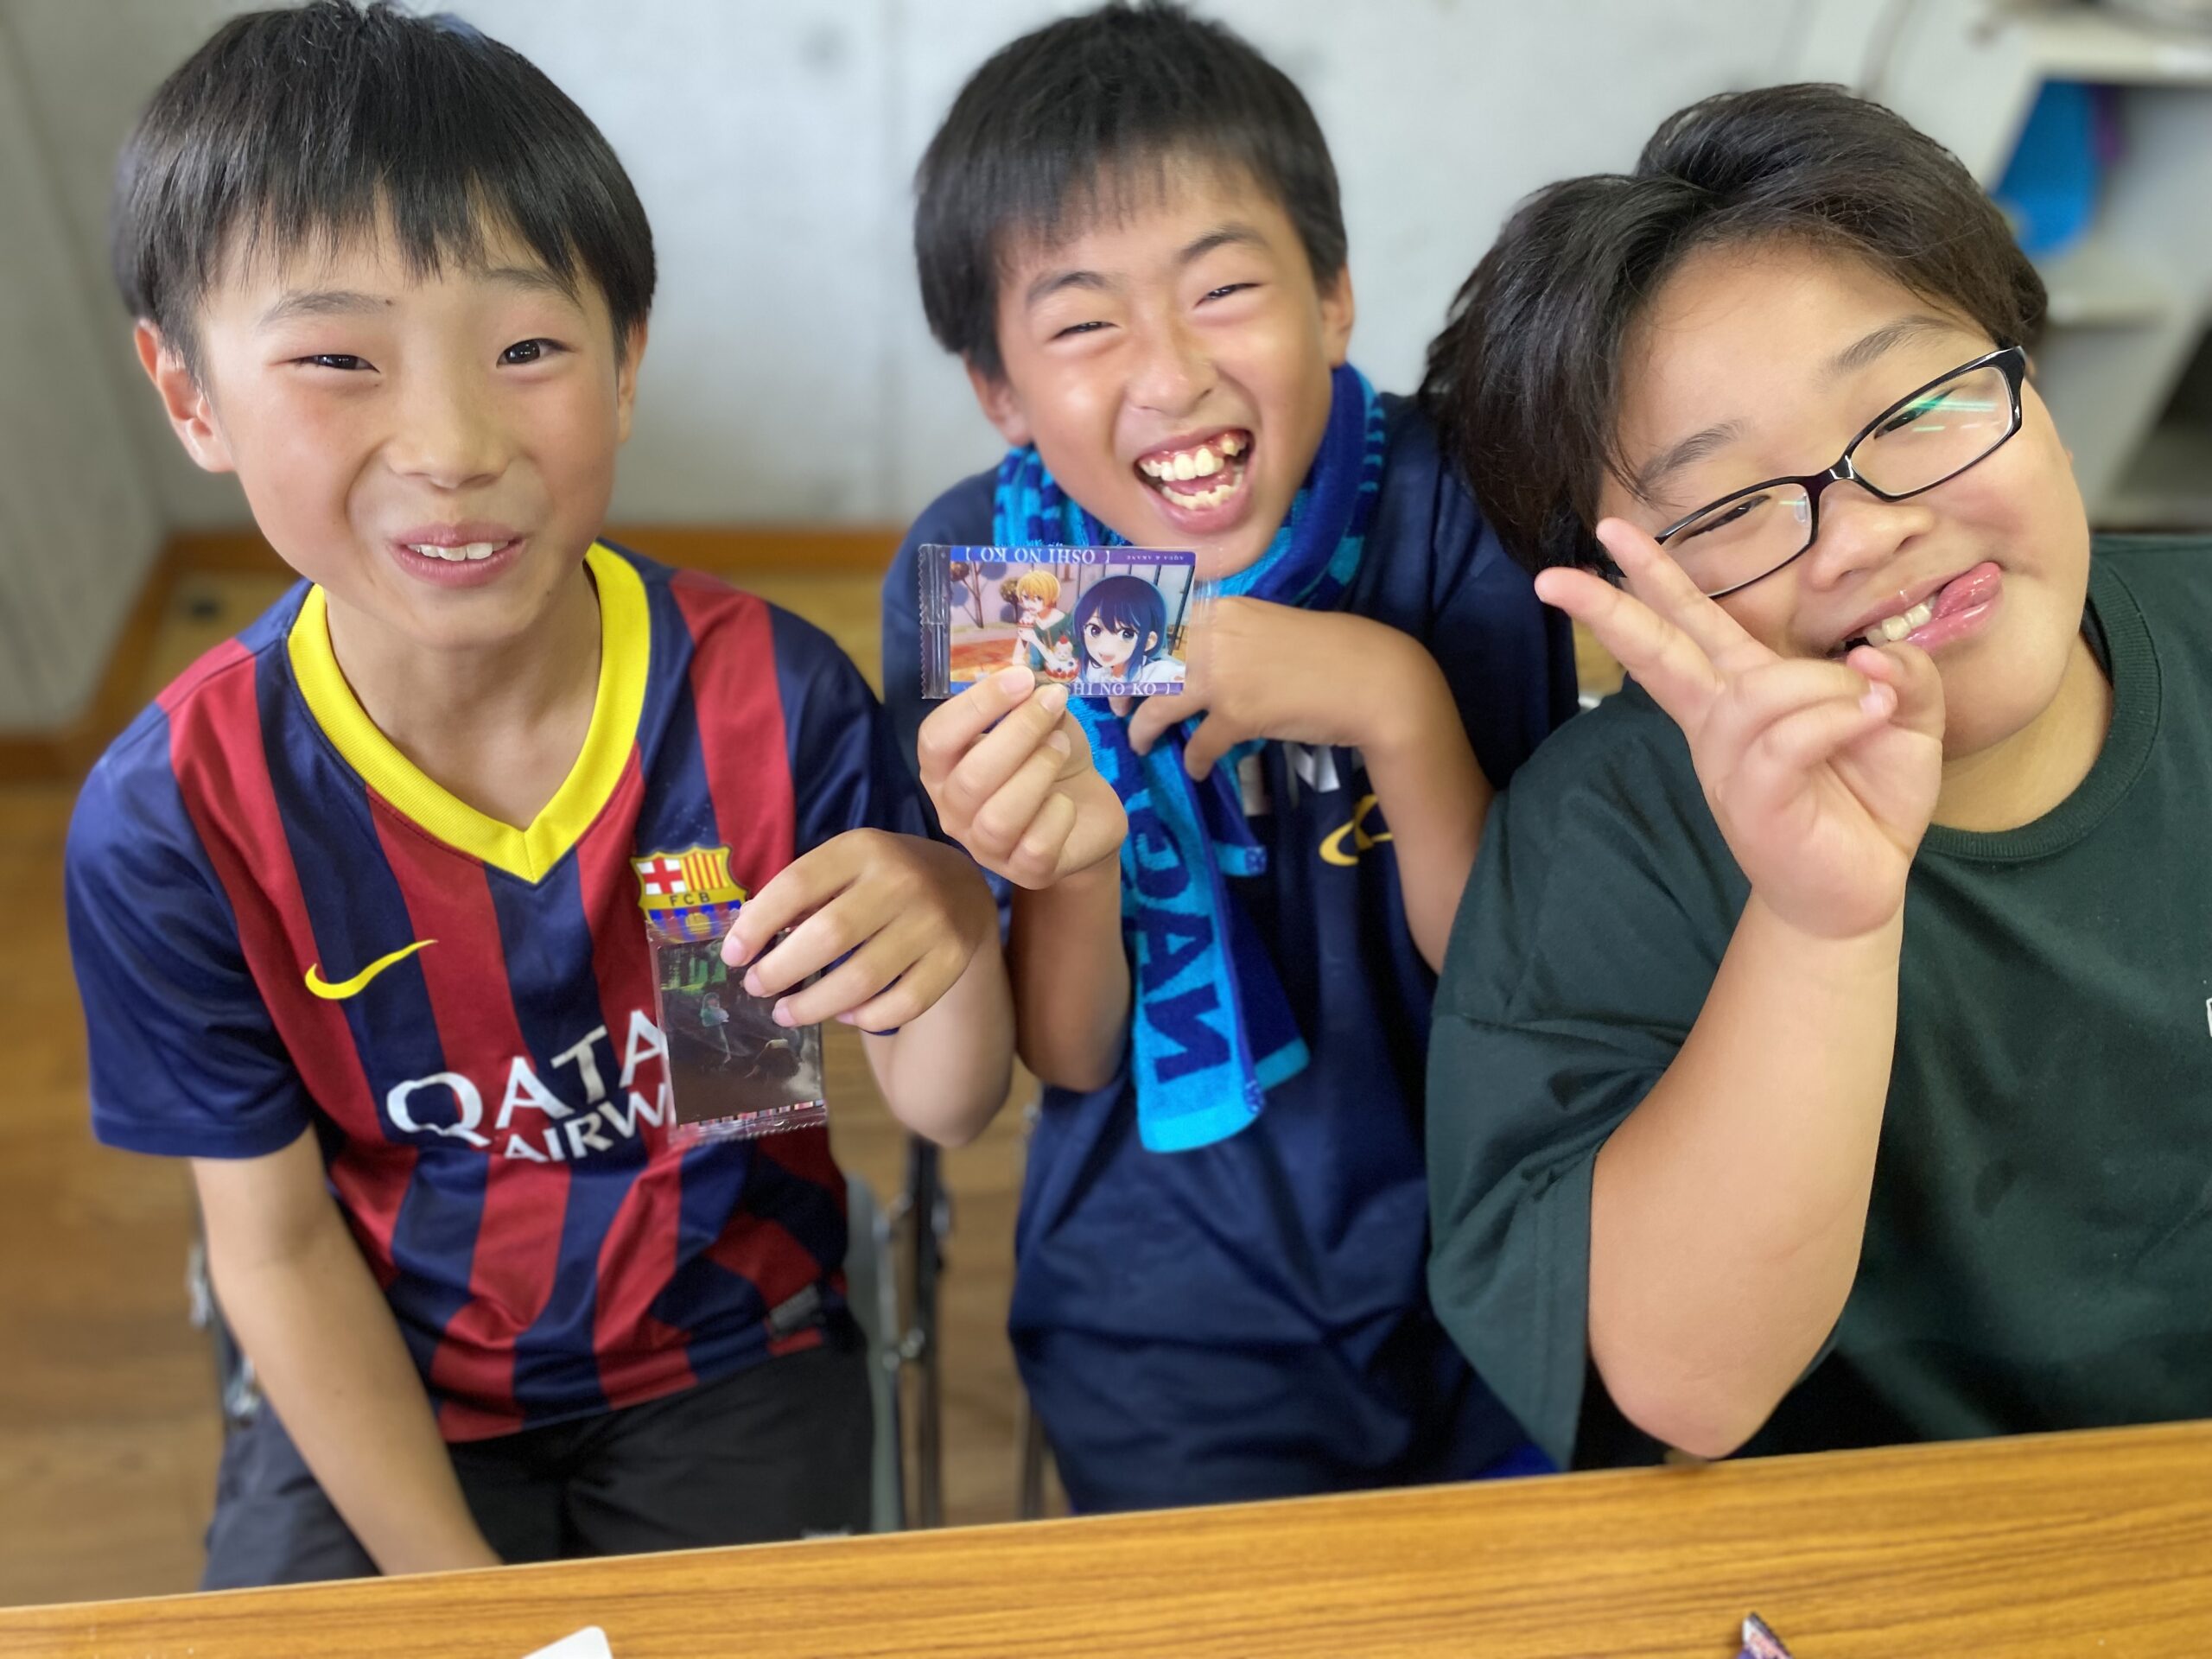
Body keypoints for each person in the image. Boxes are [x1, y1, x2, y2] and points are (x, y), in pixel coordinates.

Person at [65, 1, 1026, 1586]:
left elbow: (930, 1102)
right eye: (337, 360)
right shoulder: (178, 813)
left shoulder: (761, 703)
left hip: (729, 1341)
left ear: (627, 362)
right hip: (390, 1377)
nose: (451, 444)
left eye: (526, 351)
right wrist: (470, 1604)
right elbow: (277, 1245)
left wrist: (955, 919)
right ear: (189, 395)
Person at [1420, 83, 2212, 1469]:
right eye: (1731, 508)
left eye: (1915, 405)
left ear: (2036, 391)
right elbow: (1688, 1387)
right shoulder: (1606, 838)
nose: (1863, 533)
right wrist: (1818, 923)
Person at [880, 1, 1576, 1511]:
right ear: (999, 390)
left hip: (1498, 1254)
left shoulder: (1459, 507)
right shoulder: (992, 571)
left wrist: (1394, 699)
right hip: (1164, 1314)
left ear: (1333, 298)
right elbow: (1069, 1054)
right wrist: (1074, 857)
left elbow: (1518, 977)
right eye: (1083, 324)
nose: (1173, 372)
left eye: (1226, 290)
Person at [1070, 573, 1184, 690]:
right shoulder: (1092, 669)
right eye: (1095, 630)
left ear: (1148, 641)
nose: (1106, 647)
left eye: (1127, 634)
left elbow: (1178, 677)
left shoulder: (1158, 673)